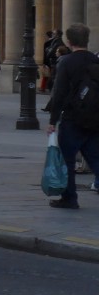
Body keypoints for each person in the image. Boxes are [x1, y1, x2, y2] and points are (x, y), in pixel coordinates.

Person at [45, 23, 99, 209]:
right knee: (95, 158)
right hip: (94, 118)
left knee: (67, 159)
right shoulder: (95, 60)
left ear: (68, 41)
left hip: (72, 118)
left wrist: (53, 121)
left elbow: (59, 94)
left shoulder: (67, 62)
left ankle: (70, 198)